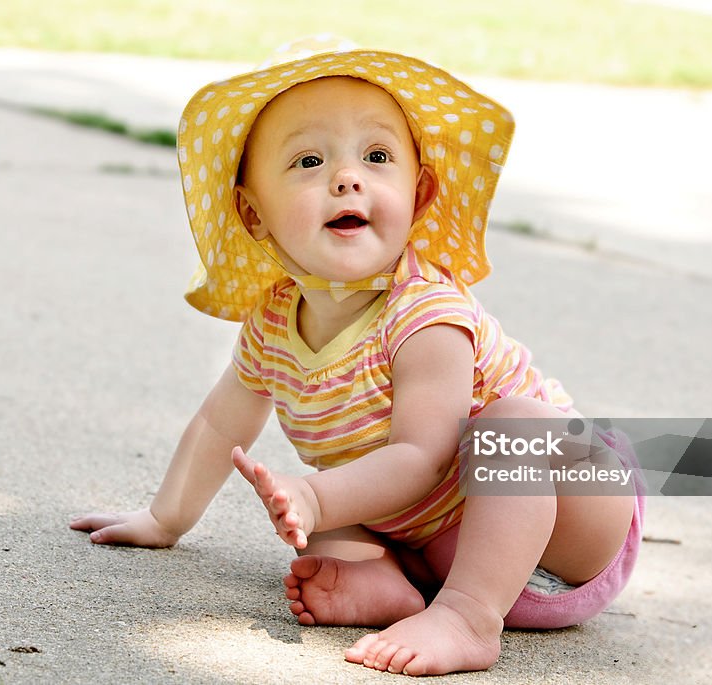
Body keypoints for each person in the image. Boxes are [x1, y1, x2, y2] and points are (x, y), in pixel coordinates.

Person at [70, 36, 645, 676]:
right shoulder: (272, 325)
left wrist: (317, 495)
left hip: (565, 528)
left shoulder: (425, 314)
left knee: (515, 424)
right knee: (310, 517)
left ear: (420, 196)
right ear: (252, 214)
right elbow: (219, 424)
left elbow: (422, 459)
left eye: (376, 156)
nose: (347, 177)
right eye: (309, 161)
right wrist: (165, 517)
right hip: (433, 547)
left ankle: (467, 619)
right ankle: (384, 585)